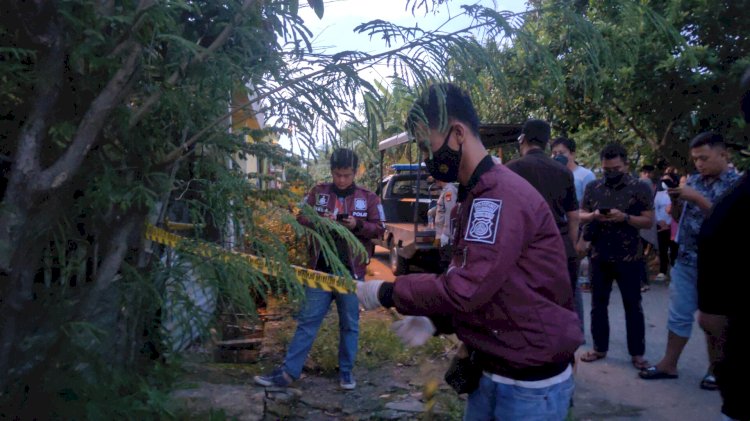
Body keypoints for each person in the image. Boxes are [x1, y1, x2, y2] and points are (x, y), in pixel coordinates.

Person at [357, 83, 582, 420]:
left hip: (528, 385)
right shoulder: (473, 194)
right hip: (493, 368)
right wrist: (436, 318)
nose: (425, 158)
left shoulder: (497, 196)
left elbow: (468, 288)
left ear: (457, 134)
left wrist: (389, 291)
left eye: (426, 146)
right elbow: (488, 281)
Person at [254, 148, 385, 390]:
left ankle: (346, 373)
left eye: (347, 175)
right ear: (331, 171)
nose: (342, 180)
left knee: (349, 324)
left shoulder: (368, 198)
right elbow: (300, 217)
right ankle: (288, 373)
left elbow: (379, 228)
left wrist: (357, 225)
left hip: (350, 275)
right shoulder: (318, 193)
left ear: (355, 173)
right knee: (307, 322)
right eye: (337, 174)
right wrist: (320, 220)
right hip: (319, 273)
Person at [639, 132, 740, 389]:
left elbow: (729, 222)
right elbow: (679, 218)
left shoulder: (737, 185)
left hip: (721, 264)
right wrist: (677, 199)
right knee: (678, 314)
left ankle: (717, 370)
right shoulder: (694, 180)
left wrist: (694, 197)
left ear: (723, 155)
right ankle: (668, 364)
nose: (699, 164)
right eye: (695, 159)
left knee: (715, 319)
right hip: (686, 257)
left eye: (704, 158)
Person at [577, 143, 653, 370]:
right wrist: (593, 215)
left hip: (629, 256)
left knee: (633, 305)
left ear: (626, 165)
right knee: (598, 305)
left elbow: (648, 220)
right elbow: (581, 215)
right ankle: (600, 348)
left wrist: (625, 218)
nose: (611, 173)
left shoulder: (640, 187)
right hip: (599, 255)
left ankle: (637, 353)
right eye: (606, 169)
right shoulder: (593, 187)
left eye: (616, 168)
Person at [507, 119, 583, 335]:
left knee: (529, 313)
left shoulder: (512, 169)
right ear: (548, 142)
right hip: (561, 250)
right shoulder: (563, 171)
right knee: (562, 310)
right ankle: (567, 359)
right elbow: (573, 216)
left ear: (522, 140)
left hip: (527, 253)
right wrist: (572, 247)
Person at [551, 137, 596, 293]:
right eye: (554, 153)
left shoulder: (585, 175)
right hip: (559, 229)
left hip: (579, 227)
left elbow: (591, 206)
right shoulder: (553, 173)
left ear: (572, 154)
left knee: (573, 277)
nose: (558, 156)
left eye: (561, 152)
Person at [427, 179, 458, 271]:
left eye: (435, 180)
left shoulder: (449, 191)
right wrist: (432, 211)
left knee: (446, 262)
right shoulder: (445, 190)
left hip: (446, 235)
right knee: (441, 258)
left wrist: (446, 233)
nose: (435, 183)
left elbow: (450, 212)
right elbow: (442, 206)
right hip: (440, 233)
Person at [654, 173, 679, 281]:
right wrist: (660, 221)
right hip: (661, 225)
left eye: (667, 180)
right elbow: (655, 209)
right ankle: (662, 271)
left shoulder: (677, 193)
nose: (665, 183)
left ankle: (674, 271)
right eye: (663, 180)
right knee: (662, 249)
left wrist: (669, 223)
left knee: (674, 249)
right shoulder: (659, 195)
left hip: (673, 226)